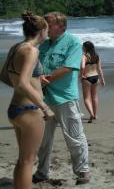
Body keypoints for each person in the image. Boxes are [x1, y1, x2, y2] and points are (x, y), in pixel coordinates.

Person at [33, 12, 91, 185]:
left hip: (65, 98)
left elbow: (69, 67)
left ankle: (82, 171)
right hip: (44, 99)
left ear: (62, 27)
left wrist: (45, 80)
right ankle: (42, 172)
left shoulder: (73, 42)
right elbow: (34, 66)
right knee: (43, 140)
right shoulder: (42, 44)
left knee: (74, 137)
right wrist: (36, 80)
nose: (45, 28)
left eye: (49, 25)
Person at [3, 11, 54, 189]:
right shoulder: (32, 51)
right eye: (47, 29)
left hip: (15, 108)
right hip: (31, 110)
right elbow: (24, 84)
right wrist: (44, 106)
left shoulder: (16, 47)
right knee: (28, 161)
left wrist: (35, 80)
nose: (48, 33)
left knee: (23, 160)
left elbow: (4, 76)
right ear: (41, 31)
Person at [80, 41, 105, 123]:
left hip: (87, 78)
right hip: (96, 77)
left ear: (86, 48)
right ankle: (95, 114)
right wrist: (102, 80)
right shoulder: (96, 56)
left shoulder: (84, 56)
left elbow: (83, 66)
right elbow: (99, 69)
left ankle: (91, 114)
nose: (82, 48)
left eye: (83, 47)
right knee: (94, 97)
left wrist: (81, 75)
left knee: (86, 98)